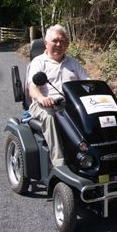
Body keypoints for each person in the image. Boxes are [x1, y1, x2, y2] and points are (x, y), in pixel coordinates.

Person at [27, 24, 89, 167]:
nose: (58, 44)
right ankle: (59, 163)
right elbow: (32, 88)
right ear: (46, 43)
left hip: (70, 104)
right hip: (44, 105)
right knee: (49, 117)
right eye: (55, 41)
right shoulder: (38, 62)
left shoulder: (73, 63)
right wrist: (42, 98)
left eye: (62, 41)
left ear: (67, 44)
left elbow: (86, 82)